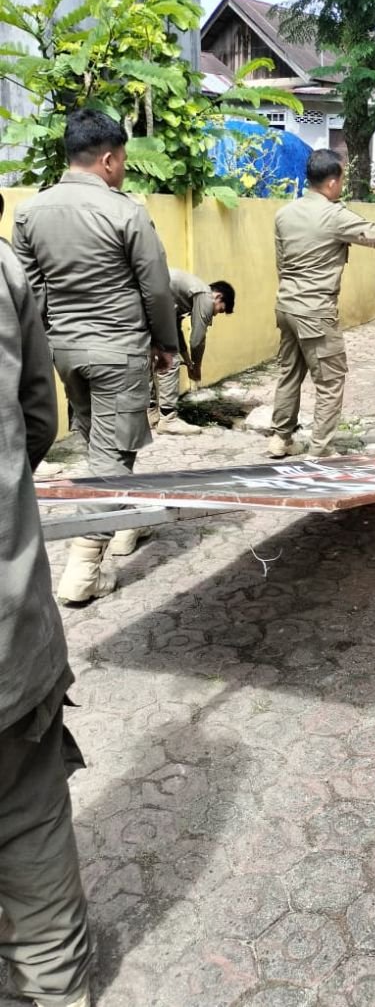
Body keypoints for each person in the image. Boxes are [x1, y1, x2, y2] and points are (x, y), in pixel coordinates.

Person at [13, 108, 177, 603]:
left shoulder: (29, 212)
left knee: (98, 444)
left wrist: (48, 346)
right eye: (123, 159)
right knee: (111, 455)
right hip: (118, 351)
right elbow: (156, 290)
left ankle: (125, 525)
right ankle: (84, 568)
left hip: (64, 351)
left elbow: (29, 291)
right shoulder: (125, 212)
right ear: (108, 159)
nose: (123, 167)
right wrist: (167, 344)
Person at [0, 224, 92, 1007]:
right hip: (9, 646)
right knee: (28, 822)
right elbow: (36, 424)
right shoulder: (4, 266)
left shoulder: (32, 230)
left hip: (79, 360)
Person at [269, 148, 375, 458]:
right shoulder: (333, 215)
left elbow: (282, 263)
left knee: (290, 373)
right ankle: (320, 449)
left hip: (286, 306)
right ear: (332, 183)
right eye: (343, 178)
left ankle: (281, 439)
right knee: (331, 380)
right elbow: (374, 234)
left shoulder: (285, 214)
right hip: (315, 311)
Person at [150, 271, 236, 436]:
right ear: (217, 296)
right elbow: (197, 339)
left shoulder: (183, 293)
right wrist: (197, 368)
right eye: (219, 309)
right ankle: (168, 420)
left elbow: (174, 328)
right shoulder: (204, 295)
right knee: (169, 361)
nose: (215, 314)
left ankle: (150, 414)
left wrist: (188, 360)